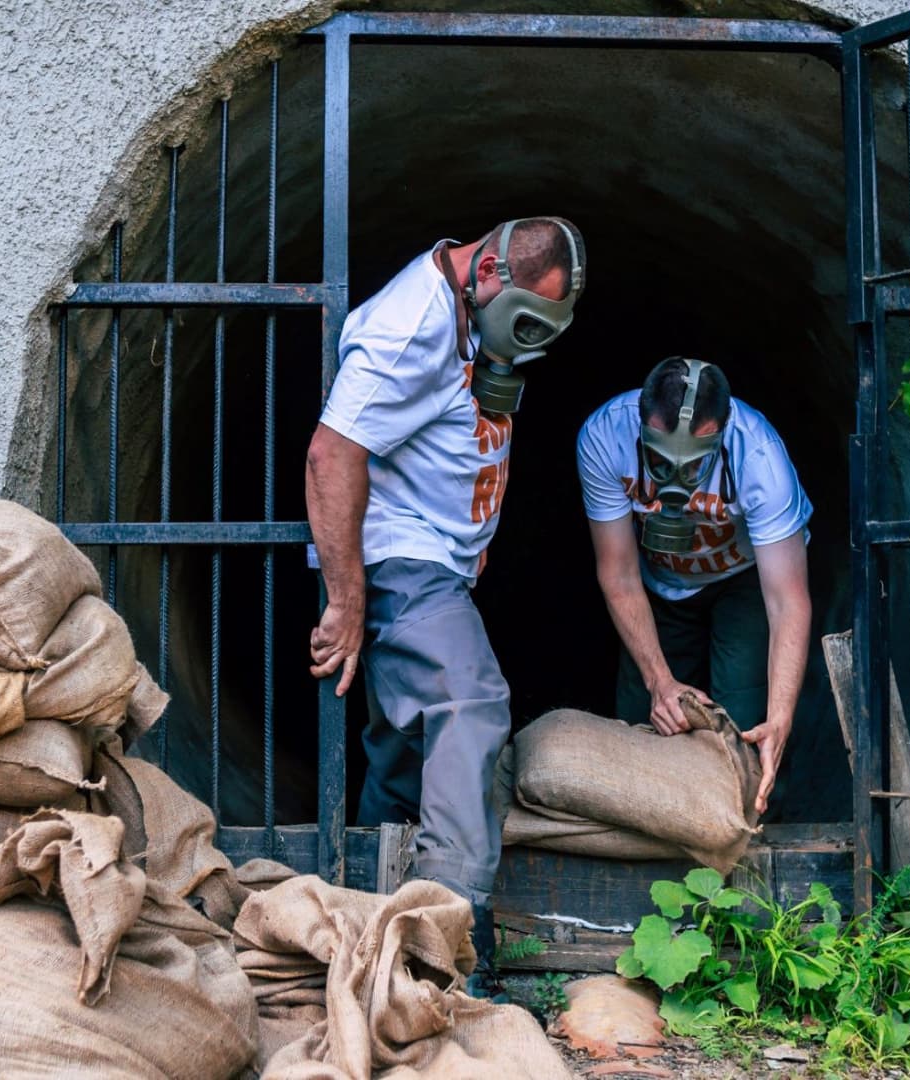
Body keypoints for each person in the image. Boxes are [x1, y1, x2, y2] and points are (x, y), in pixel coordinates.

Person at [305, 217, 587, 999]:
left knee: (403, 749)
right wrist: (347, 600)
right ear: (490, 269)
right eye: (526, 323)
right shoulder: (407, 328)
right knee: (470, 706)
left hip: (443, 559)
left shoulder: (474, 314)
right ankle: (446, 944)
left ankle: (363, 916)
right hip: (402, 557)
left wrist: (477, 527)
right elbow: (333, 452)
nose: (528, 347)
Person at [576, 357, 812, 817]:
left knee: (746, 726)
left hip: (741, 579)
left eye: (694, 462)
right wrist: (660, 682)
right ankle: (642, 849)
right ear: (641, 425)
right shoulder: (606, 435)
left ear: (722, 430)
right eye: (662, 461)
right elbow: (618, 573)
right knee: (641, 723)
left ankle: (746, 845)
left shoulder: (759, 455)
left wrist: (780, 720)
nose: (676, 480)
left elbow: (788, 602)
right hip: (654, 586)